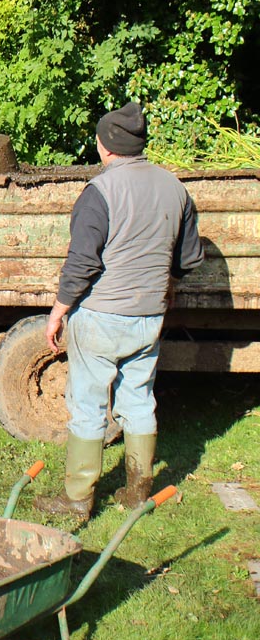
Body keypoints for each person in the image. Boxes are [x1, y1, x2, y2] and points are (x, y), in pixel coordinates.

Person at [34, 102, 203, 520]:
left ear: (106, 145)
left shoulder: (100, 192)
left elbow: (82, 263)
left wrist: (57, 311)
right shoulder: (175, 188)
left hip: (101, 316)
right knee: (139, 400)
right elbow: (188, 260)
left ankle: (77, 500)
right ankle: (138, 490)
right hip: (149, 316)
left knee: (89, 405)